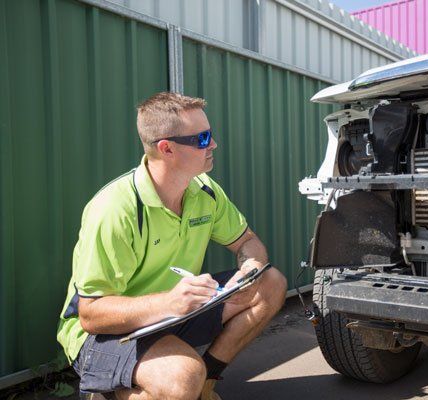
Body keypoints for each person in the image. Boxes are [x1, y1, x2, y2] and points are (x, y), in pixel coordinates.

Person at [56, 92, 288, 400]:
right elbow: (91, 315)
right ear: (167, 148)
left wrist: (250, 268)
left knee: (270, 282)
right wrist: (169, 303)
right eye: (202, 138)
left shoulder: (205, 191)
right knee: (182, 378)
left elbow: (247, 242)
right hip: (102, 335)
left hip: (174, 313)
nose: (213, 144)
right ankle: (111, 393)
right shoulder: (115, 209)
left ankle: (205, 385)